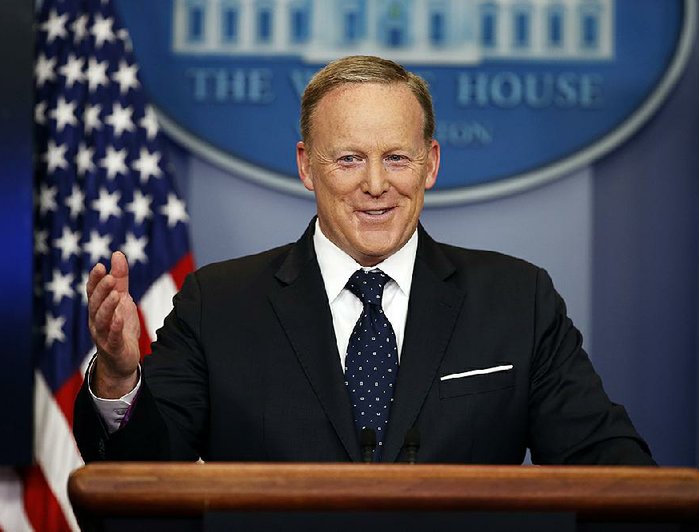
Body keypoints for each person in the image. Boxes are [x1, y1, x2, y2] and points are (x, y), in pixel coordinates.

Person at [74, 55, 654, 465]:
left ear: (431, 164)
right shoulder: (219, 304)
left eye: (397, 158)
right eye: (349, 158)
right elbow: (147, 475)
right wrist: (122, 378)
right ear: (306, 166)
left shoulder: (516, 300)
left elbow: (609, 468)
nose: (376, 185)